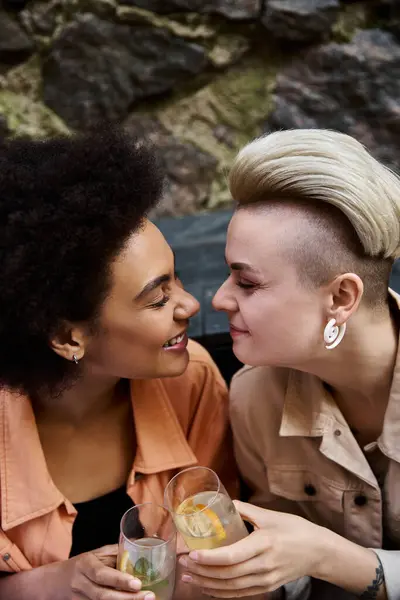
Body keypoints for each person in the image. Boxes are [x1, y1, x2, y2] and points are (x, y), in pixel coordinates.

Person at [0, 129, 235, 600]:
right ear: (69, 336)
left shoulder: (192, 379)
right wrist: (46, 587)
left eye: (178, 278)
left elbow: (226, 557)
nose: (191, 304)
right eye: (158, 298)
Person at [179, 129, 400, 600]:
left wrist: (332, 557)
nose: (218, 299)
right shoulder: (253, 397)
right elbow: (286, 575)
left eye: (248, 282)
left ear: (342, 297)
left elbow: (317, 559)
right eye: (227, 273)